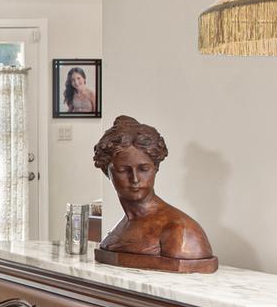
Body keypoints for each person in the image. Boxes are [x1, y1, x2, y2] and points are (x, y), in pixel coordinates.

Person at [91, 116, 216, 272]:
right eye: (123, 170)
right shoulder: (123, 226)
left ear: (155, 168)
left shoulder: (181, 231)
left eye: (144, 169)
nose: (135, 179)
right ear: (106, 171)